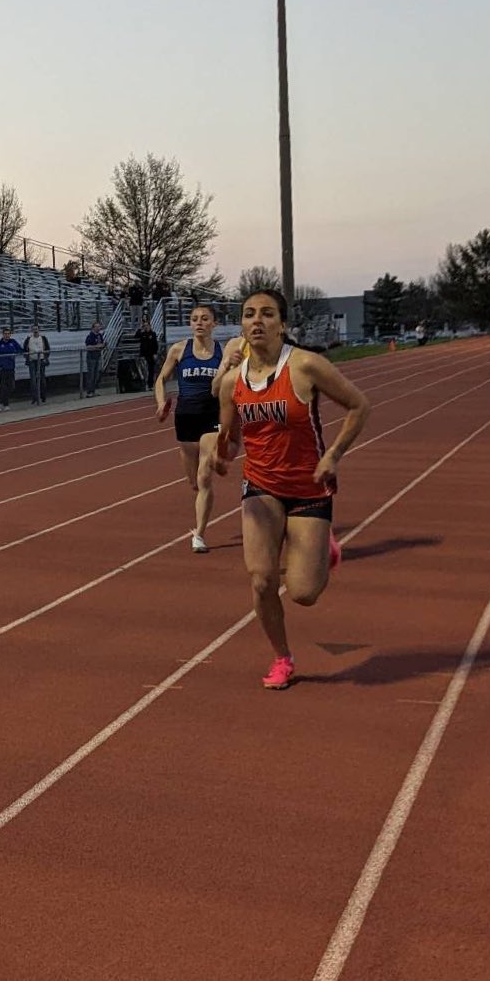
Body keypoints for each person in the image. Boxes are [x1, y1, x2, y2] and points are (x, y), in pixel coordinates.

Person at [214, 288, 369, 690]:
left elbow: (359, 406)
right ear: (242, 325)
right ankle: (283, 657)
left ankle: (325, 547)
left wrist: (333, 455)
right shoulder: (232, 382)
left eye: (267, 314)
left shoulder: (305, 366)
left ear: (282, 324)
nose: (257, 321)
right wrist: (222, 457)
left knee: (303, 593)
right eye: (249, 314)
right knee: (263, 580)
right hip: (261, 487)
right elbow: (231, 440)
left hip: (308, 488)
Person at [154, 304, 223, 553]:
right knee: (194, 482)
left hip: (213, 416)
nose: (199, 323)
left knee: (205, 477)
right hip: (185, 417)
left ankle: (199, 534)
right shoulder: (179, 350)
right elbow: (161, 379)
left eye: (205, 319)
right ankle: (198, 492)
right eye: (194, 319)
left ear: (214, 323)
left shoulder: (222, 353)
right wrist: (161, 403)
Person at [0, 327, 23, 411]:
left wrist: (15, 353)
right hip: (2, 368)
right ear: (3, 334)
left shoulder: (13, 342)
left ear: (10, 334)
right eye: (5, 334)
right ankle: (5, 404)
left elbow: (20, 350)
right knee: (4, 386)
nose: (7, 335)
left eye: (8, 334)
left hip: (11, 367)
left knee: (11, 386)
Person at [23, 324, 51, 405]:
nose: (35, 330)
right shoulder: (28, 339)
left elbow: (47, 348)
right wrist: (27, 357)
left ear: (39, 330)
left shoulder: (43, 338)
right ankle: (34, 397)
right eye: (34, 329)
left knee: (42, 379)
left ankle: (43, 396)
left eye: (36, 329)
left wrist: (45, 357)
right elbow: (25, 349)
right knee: (33, 380)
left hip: (41, 360)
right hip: (32, 361)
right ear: (32, 330)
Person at [136, 318, 160, 389]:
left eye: (147, 326)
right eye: (145, 326)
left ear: (150, 326)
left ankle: (150, 385)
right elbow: (136, 336)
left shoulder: (153, 334)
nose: (146, 327)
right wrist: (140, 329)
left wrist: (155, 353)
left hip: (151, 354)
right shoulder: (142, 333)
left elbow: (155, 344)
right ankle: (144, 384)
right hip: (144, 354)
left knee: (151, 369)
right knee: (144, 370)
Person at [85, 321, 105, 396]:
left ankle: (93, 390)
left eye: (99, 326)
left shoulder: (99, 335)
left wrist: (102, 346)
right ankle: (89, 391)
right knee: (91, 374)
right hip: (91, 357)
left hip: (97, 356)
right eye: (97, 327)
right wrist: (97, 346)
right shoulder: (90, 336)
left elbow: (102, 344)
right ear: (93, 328)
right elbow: (88, 347)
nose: (99, 328)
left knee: (96, 375)